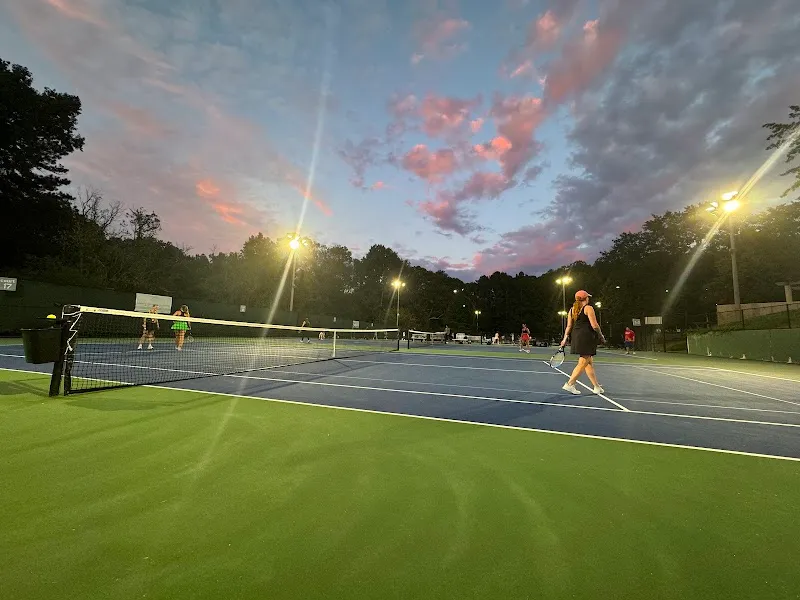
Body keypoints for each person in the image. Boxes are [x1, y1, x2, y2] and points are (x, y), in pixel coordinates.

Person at [559, 291, 606, 395]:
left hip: (576, 337)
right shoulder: (589, 308)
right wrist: (601, 335)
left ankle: (596, 387)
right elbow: (595, 325)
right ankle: (570, 384)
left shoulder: (572, 310)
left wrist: (565, 338)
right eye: (588, 297)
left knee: (588, 362)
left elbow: (569, 326)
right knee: (583, 362)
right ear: (586, 298)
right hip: (587, 337)